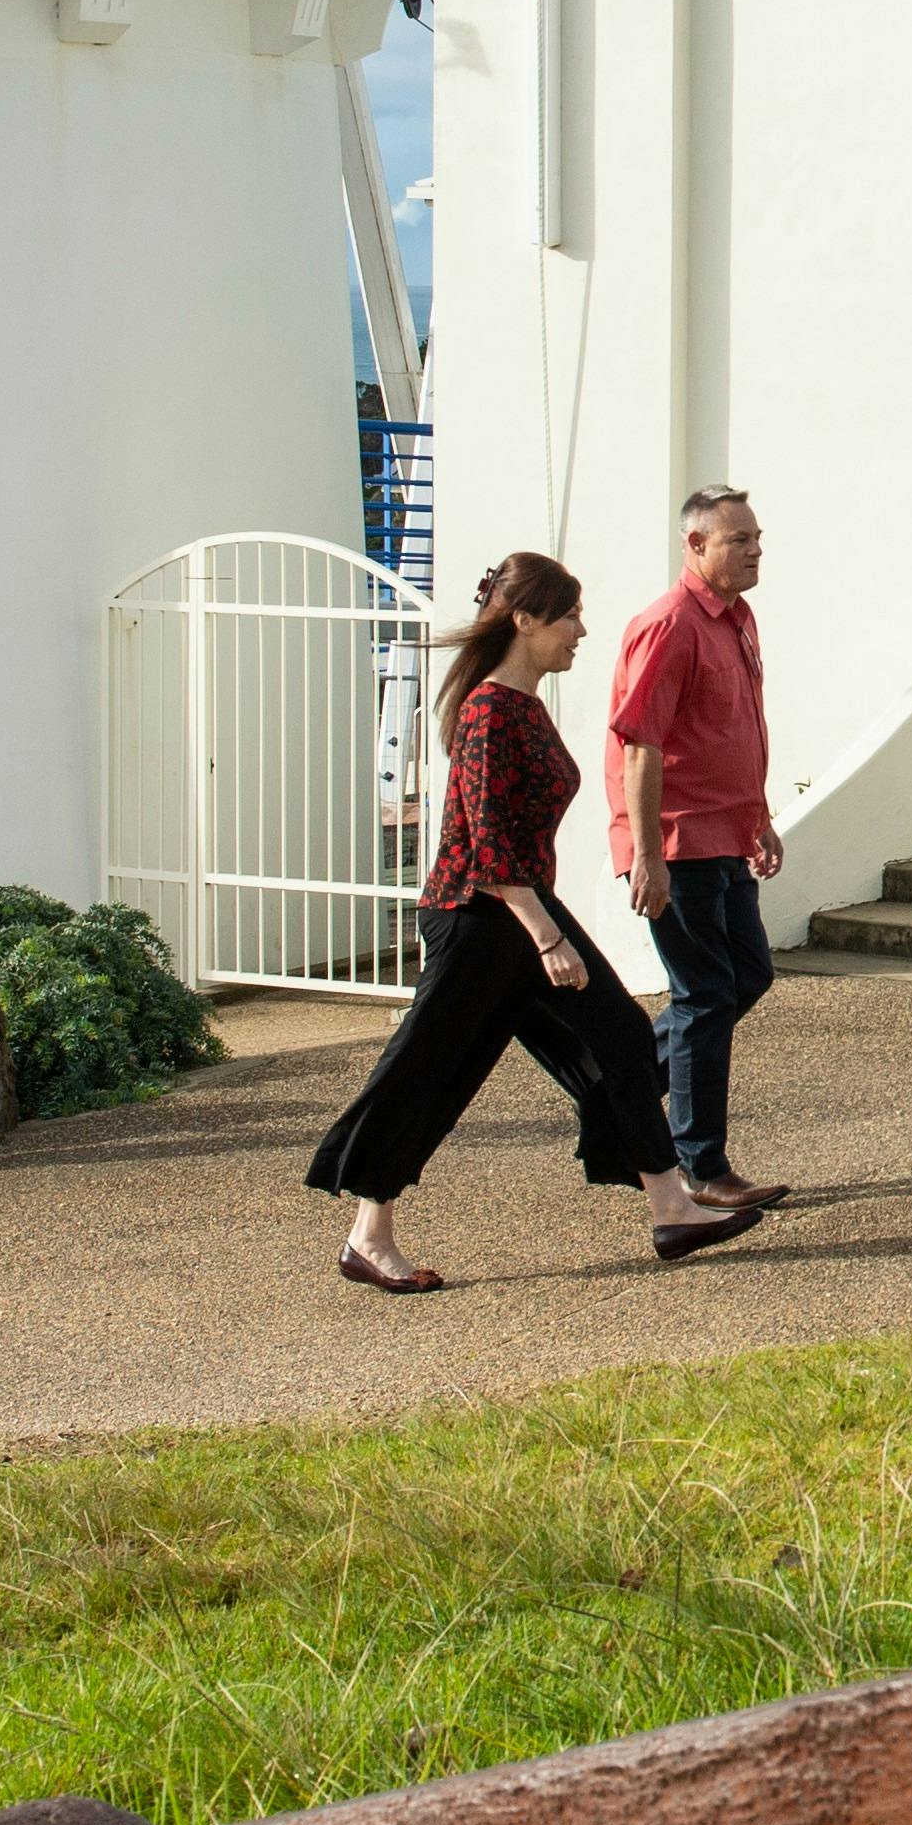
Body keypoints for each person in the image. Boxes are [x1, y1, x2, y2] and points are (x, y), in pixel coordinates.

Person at [304, 551, 762, 1288]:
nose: (581, 630)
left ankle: (671, 1205)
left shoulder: (525, 705)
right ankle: (368, 1235)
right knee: (430, 1071)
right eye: (569, 615)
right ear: (524, 619)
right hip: (479, 917)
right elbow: (488, 847)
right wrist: (547, 938)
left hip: (520, 910)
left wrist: (541, 926)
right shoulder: (489, 711)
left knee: (621, 1035)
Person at [609, 484, 790, 1212]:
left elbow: (730, 733)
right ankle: (700, 1166)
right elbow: (641, 746)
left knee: (746, 976)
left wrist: (758, 816)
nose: (755, 550)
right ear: (696, 544)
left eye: (756, 537)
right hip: (678, 843)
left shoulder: (738, 618)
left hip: (726, 834)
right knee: (705, 993)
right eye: (739, 539)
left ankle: (617, 1094)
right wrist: (647, 854)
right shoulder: (669, 625)